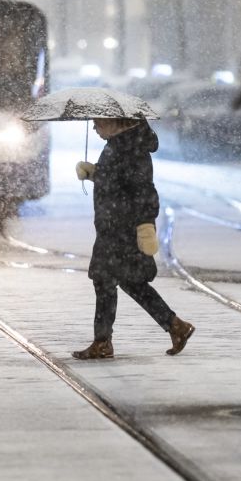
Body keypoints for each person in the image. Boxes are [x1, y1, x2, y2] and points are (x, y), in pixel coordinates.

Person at [72, 117, 194, 359]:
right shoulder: (118, 144)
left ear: (118, 123)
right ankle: (175, 326)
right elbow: (117, 182)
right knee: (129, 282)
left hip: (123, 228)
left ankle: (103, 342)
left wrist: (146, 226)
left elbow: (144, 191)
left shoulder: (132, 149)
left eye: (99, 124)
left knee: (105, 280)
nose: (95, 129)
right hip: (112, 226)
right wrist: (94, 173)